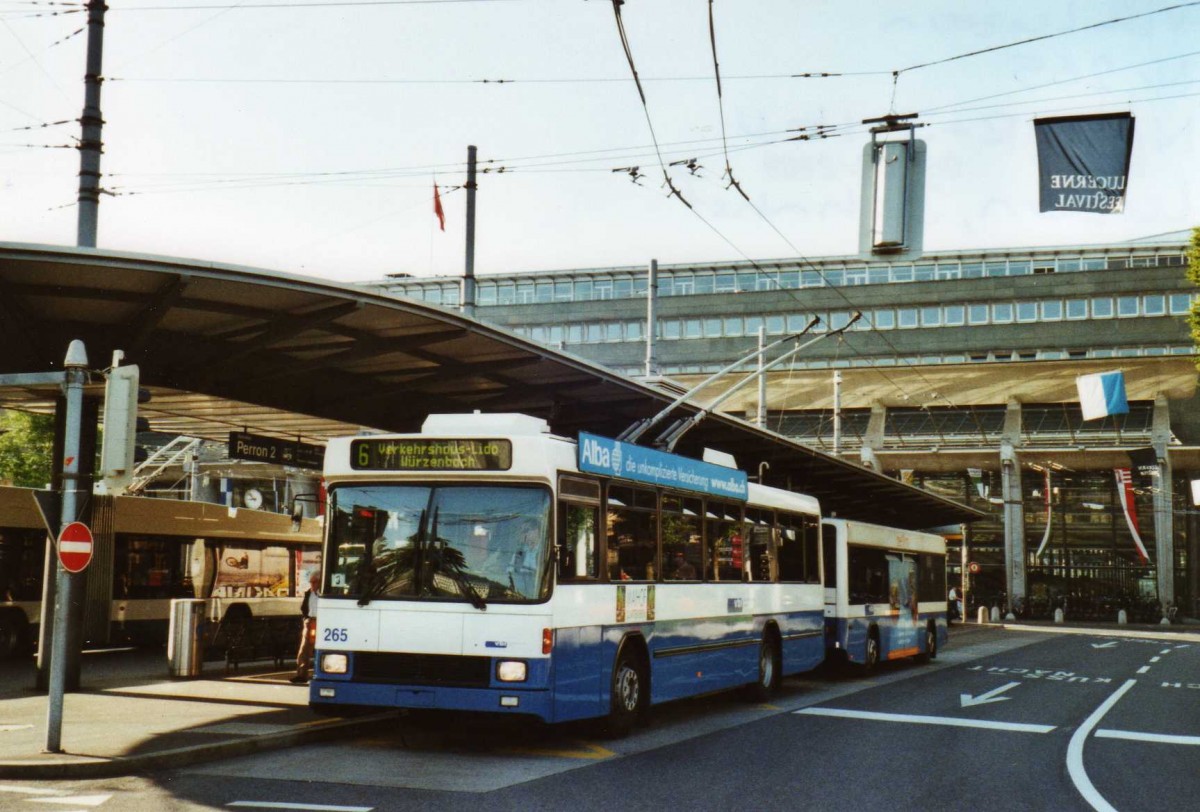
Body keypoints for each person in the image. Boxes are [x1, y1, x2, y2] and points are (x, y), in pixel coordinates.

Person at [291, 572, 320, 684]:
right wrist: (306, 618)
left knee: (318, 649)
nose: (312, 584)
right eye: (311, 582)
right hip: (310, 622)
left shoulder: (322, 594)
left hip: (320, 621)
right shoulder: (309, 593)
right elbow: (303, 607)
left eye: (314, 582)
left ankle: (318, 673)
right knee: (304, 650)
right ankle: (301, 674)